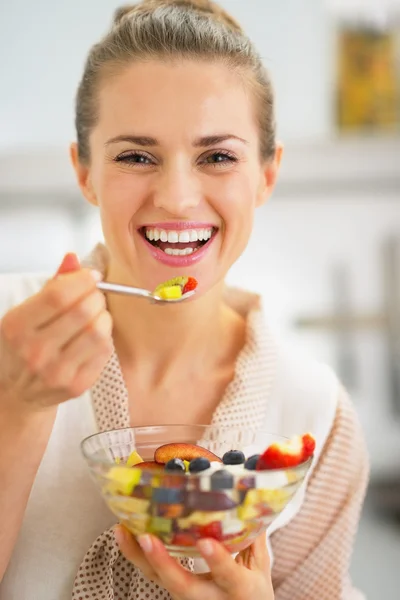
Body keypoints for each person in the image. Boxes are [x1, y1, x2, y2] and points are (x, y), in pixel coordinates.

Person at [0, 1, 369, 599]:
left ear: (267, 175)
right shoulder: (5, 327)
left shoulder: (317, 416)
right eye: (135, 156)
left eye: (218, 157)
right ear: (84, 172)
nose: (176, 197)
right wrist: (16, 406)